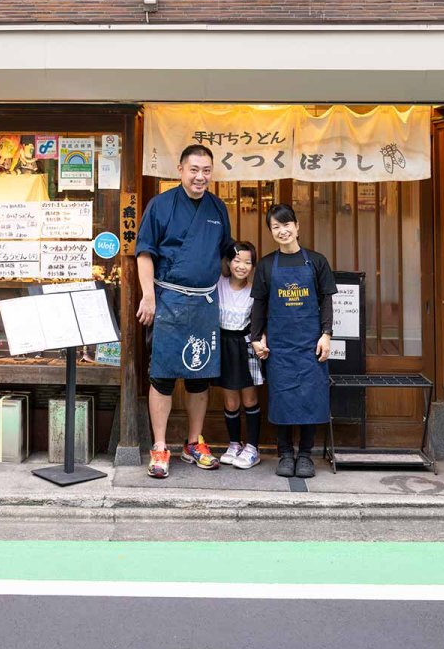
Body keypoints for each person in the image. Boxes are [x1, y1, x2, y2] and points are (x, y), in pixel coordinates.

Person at [136, 144, 232, 479]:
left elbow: (225, 256)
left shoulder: (218, 208)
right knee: (161, 376)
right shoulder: (160, 205)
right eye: (194, 169)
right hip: (169, 300)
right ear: (180, 170)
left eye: (206, 170)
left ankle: (193, 443)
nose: (200, 177)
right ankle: (160, 447)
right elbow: (144, 253)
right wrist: (148, 296)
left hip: (204, 302)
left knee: (200, 377)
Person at [250, 203, 335, 479]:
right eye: (276, 227)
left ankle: (306, 454)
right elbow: (259, 306)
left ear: (297, 226)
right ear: (271, 232)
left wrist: (326, 334)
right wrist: (255, 338)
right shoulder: (265, 265)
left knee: (310, 397)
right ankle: (285, 453)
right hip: (280, 346)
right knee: (282, 397)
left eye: (287, 224)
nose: (282, 230)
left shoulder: (317, 261)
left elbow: (326, 302)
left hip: (310, 344)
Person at [215, 241, 263, 470]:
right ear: (228, 261)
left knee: (250, 398)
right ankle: (234, 443)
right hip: (223, 344)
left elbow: (261, 322)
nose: (242, 266)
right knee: (230, 399)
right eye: (237, 260)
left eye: (247, 262)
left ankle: (253, 447)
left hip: (245, 345)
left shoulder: (254, 291)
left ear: (253, 266)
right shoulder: (218, 284)